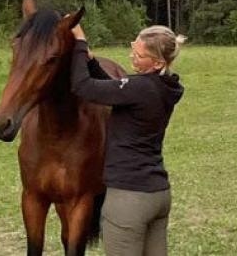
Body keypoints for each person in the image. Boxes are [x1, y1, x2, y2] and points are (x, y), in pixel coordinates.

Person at [69, 24, 186, 256]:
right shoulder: (167, 86)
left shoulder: (140, 87)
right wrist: (92, 62)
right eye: (134, 48)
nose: (133, 55)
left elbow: (82, 87)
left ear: (158, 63)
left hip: (128, 198)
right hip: (158, 194)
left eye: (140, 55)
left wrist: (80, 44)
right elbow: (118, 91)